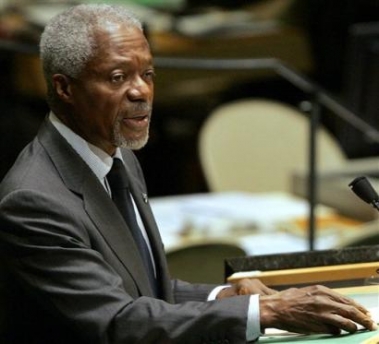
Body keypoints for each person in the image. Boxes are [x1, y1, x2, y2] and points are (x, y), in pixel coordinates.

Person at [0, 4, 376, 344]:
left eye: (147, 73)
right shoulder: (34, 200)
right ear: (64, 87)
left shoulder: (116, 156)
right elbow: (117, 320)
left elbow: (143, 291)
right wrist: (265, 312)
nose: (141, 92)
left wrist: (225, 297)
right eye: (117, 78)